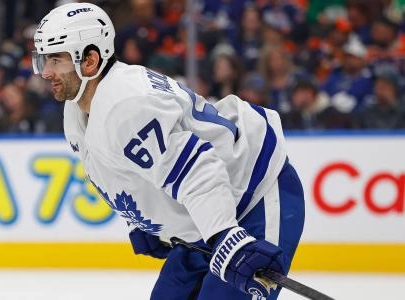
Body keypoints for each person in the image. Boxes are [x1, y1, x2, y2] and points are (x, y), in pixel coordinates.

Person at [32, 3, 305, 300]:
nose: (46, 72)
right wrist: (144, 220)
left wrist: (226, 233)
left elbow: (197, 169)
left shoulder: (125, 106)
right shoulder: (78, 110)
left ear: (90, 61)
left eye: (56, 60)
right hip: (204, 223)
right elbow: (122, 171)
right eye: (44, 60)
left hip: (250, 201)